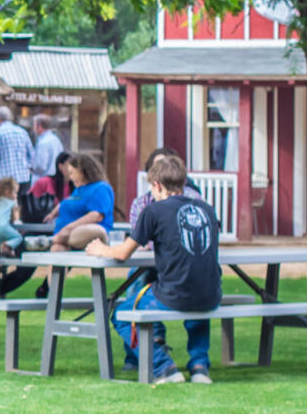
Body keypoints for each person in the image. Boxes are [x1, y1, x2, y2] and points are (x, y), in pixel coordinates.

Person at [90, 150, 222, 386]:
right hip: (212, 293)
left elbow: (122, 253)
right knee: (196, 298)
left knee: (121, 314)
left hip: (174, 292)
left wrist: (99, 249)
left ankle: (164, 367)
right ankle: (200, 366)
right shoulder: (207, 209)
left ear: (157, 185)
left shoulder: (153, 211)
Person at [44, 151, 117, 250]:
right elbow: (68, 202)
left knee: (92, 231)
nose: (70, 177)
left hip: (87, 233)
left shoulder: (101, 188)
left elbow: (96, 216)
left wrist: (69, 228)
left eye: (72, 173)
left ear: (82, 171)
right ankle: (56, 241)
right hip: (65, 233)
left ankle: (51, 240)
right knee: (57, 248)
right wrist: (53, 213)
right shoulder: (78, 189)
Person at [0, 105, 33, 190]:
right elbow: (32, 154)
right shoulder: (22, 131)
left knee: (7, 202)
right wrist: (26, 166)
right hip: (24, 177)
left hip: (6, 179)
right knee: (21, 202)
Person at [27, 115, 64, 199]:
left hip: (42, 183)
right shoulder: (56, 139)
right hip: (55, 181)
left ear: (39, 126)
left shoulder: (43, 143)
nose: (33, 128)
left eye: (34, 125)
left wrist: (31, 168)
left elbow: (40, 166)